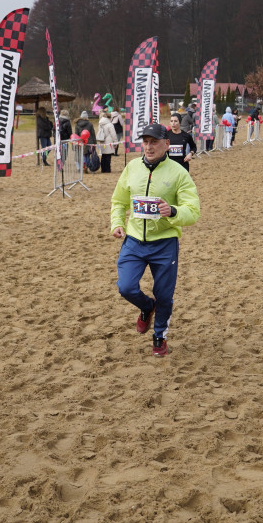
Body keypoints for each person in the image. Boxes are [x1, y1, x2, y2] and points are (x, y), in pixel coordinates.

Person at [110, 123, 200, 357]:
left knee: (164, 295)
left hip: (165, 243)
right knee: (126, 287)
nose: (149, 147)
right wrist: (117, 223)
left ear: (167, 144)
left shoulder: (179, 172)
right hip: (134, 241)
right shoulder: (131, 168)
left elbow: (193, 211)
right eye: (146, 142)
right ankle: (146, 306)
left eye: (154, 142)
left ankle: (160, 336)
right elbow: (118, 201)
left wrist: (172, 211)